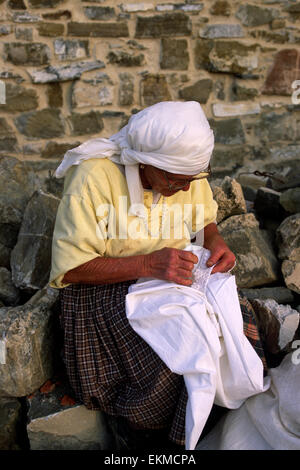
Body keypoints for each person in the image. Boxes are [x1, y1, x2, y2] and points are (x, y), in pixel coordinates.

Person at [49, 101, 266, 450]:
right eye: (174, 180)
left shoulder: (183, 173)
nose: (184, 188)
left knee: (236, 323)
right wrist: (148, 265)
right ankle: (147, 438)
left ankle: (213, 421)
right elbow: (70, 269)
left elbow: (203, 218)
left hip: (167, 277)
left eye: (190, 181)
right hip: (101, 287)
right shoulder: (93, 177)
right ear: (144, 162)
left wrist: (215, 241)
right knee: (173, 356)